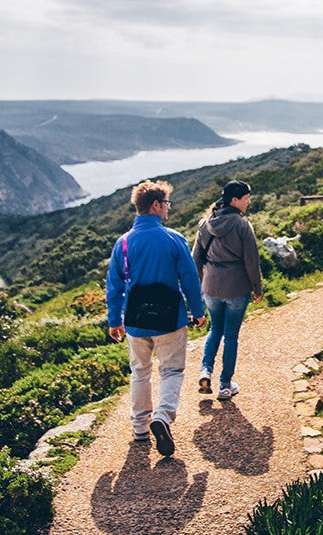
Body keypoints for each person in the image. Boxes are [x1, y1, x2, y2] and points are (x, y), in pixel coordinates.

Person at [106, 180, 206, 457]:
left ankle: (140, 428)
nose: (168, 209)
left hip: (136, 321)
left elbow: (113, 285)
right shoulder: (174, 239)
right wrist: (198, 312)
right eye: (166, 204)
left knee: (140, 371)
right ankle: (162, 417)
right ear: (155, 205)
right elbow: (189, 279)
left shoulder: (123, 243)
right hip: (169, 318)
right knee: (172, 370)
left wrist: (114, 320)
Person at [193, 180, 263, 402]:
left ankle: (205, 371)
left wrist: (202, 285)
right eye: (246, 198)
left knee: (215, 330)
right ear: (235, 200)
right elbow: (252, 262)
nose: (248, 201)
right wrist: (257, 288)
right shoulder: (243, 226)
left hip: (211, 287)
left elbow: (196, 258)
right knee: (231, 336)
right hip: (236, 288)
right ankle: (225, 385)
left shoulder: (205, 224)